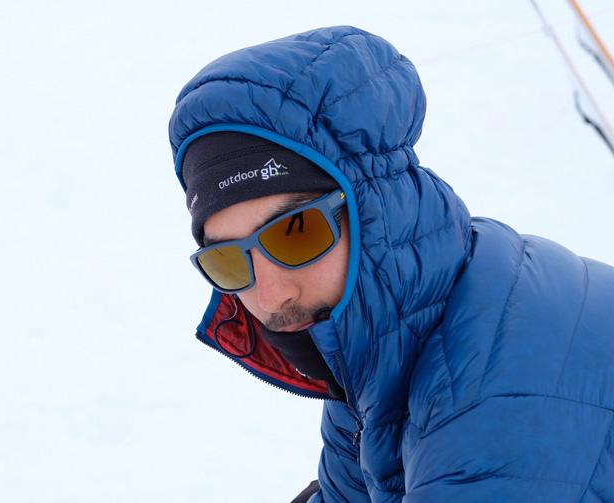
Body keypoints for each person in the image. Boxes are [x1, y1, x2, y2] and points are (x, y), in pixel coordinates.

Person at [168, 26, 614, 502]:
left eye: (296, 233)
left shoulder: (492, 414)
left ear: (375, 211)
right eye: (229, 260)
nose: (271, 295)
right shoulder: (383, 358)